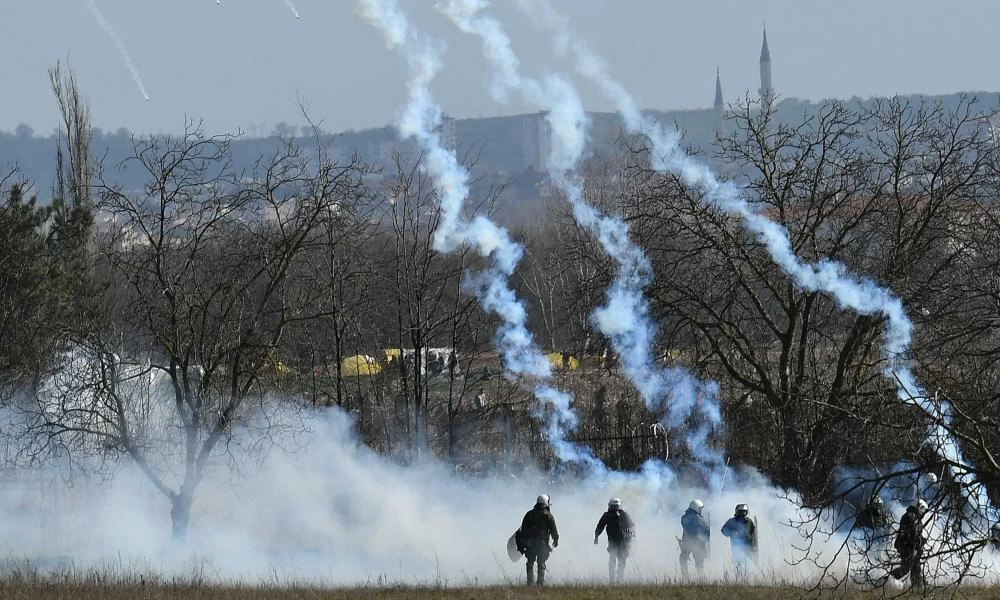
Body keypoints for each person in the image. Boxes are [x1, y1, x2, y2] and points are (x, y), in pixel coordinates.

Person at [516, 493, 559, 586]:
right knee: (541, 563)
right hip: (542, 544)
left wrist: (521, 544)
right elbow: (553, 530)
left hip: (530, 543)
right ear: (546, 503)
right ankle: (540, 584)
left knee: (530, 563)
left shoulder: (529, 514)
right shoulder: (548, 516)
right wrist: (556, 540)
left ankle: (530, 583)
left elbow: (522, 530)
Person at [594, 497, 636, 584]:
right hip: (615, 542)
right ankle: (614, 580)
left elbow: (631, 526)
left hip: (622, 543)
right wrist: (596, 536)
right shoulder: (610, 515)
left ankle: (617, 579)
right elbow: (600, 526)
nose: (614, 509)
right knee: (616, 560)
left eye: (615, 507)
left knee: (619, 560)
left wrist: (631, 537)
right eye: (613, 507)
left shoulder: (622, 515)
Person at [891, 499, 927, 588]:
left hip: (914, 548)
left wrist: (922, 541)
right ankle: (889, 579)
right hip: (907, 547)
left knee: (916, 568)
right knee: (906, 568)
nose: (923, 512)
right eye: (923, 509)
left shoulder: (917, 519)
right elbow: (908, 533)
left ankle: (918, 588)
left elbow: (917, 535)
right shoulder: (910, 516)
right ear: (919, 507)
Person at [721, 503, 756, 576]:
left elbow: (753, 533)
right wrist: (732, 533)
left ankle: (748, 578)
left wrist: (753, 544)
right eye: (741, 512)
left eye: (744, 512)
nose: (743, 513)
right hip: (736, 547)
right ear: (737, 512)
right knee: (737, 564)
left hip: (748, 547)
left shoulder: (749, 521)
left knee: (748, 564)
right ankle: (738, 578)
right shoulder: (732, 521)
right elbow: (723, 530)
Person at [679, 499, 710, 579]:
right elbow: (706, 532)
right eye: (700, 508)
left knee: (683, 559)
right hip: (697, 544)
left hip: (686, 542)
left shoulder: (684, 517)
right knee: (699, 564)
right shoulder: (699, 519)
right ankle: (702, 579)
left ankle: (685, 579)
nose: (701, 510)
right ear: (696, 508)